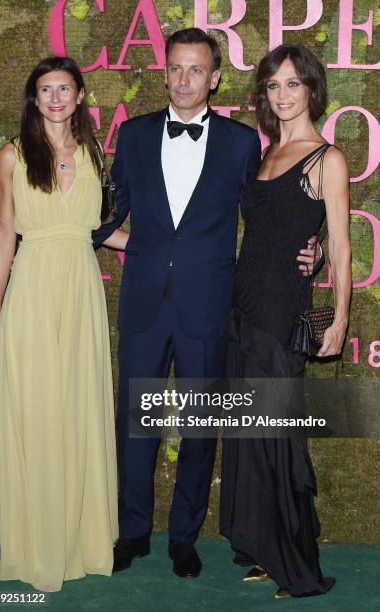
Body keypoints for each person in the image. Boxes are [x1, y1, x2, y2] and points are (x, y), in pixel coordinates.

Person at [92, 28, 318, 578]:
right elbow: (104, 216)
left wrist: (321, 248)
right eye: (175, 68)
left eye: (196, 70)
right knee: (135, 424)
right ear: (164, 71)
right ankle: (134, 530)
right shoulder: (136, 135)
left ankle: (185, 538)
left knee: (199, 429)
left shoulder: (243, 144)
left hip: (210, 307)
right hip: (145, 303)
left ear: (215, 78)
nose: (185, 79)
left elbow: (270, 214)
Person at [0, 57, 127, 592]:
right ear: (34, 98)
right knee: (41, 412)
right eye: (45, 89)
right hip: (34, 290)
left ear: (80, 94)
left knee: (80, 408)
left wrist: (156, 250)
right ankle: (39, 544)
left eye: (63, 88)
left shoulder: (93, 153)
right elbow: (6, 233)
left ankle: (82, 541)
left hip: (82, 292)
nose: (55, 98)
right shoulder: (13, 155)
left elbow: (94, 230)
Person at [219, 44, 351, 598]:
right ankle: (266, 548)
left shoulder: (328, 159)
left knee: (278, 438)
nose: (283, 94)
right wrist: (311, 247)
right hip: (244, 305)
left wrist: (340, 317)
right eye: (273, 86)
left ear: (312, 89)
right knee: (250, 435)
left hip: (282, 311)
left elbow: (341, 247)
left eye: (293, 84)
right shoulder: (265, 153)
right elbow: (274, 231)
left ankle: (297, 563)